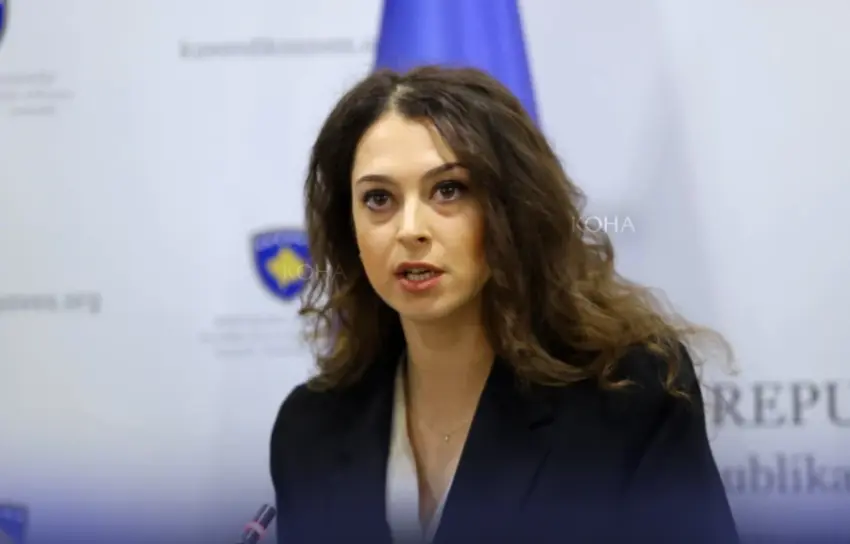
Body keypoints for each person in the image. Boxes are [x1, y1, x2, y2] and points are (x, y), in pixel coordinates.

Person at [269, 65, 738, 544]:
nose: (410, 229)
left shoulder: (628, 397)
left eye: (448, 190)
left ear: (511, 209)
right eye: (378, 198)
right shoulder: (310, 431)